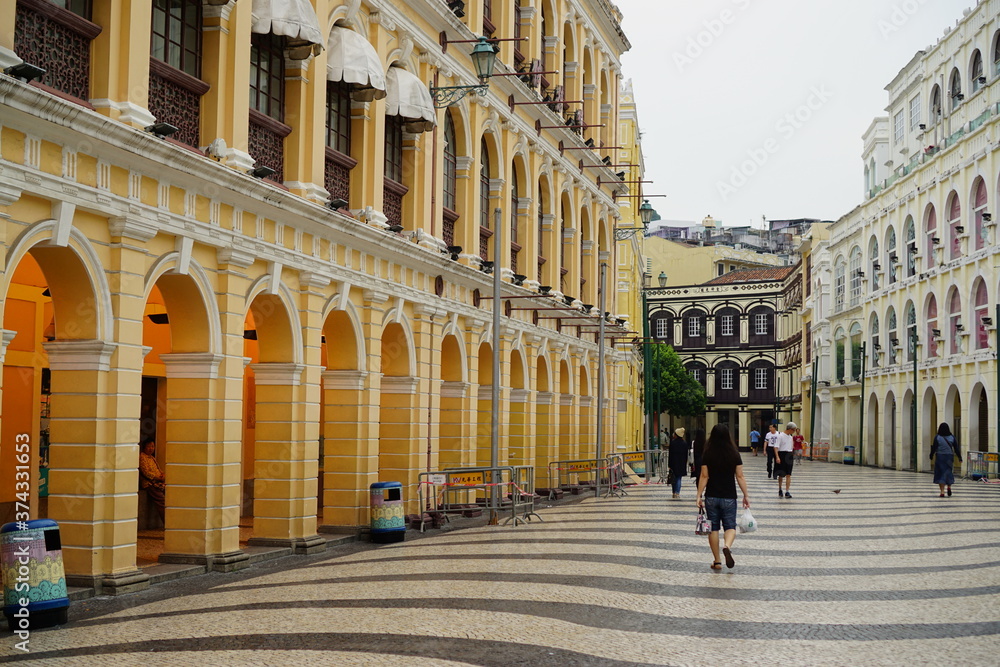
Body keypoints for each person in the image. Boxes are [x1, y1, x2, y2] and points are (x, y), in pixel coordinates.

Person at [696, 424, 750, 570]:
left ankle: (717, 561)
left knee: (713, 528)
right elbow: (740, 476)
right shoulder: (734, 453)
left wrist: (699, 495)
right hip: (729, 496)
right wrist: (746, 495)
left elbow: (704, 476)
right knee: (730, 526)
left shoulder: (707, 453)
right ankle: (727, 546)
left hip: (712, 496)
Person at [138, 437, 166, 522]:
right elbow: (145, 472)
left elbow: (158, 469)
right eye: (149, 446)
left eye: (152, 446)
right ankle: (167, 521)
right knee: (161, 501)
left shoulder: (152, 458)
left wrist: (162, 475)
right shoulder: (142, 457)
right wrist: (157, 478)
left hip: (158, 482)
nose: (151, 448)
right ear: (144, 447)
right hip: (150, 484)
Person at [931, 422, 959, 497]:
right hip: (949, 457)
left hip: (940, 457)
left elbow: (934, 447)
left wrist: (931, 455)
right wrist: (960, 457)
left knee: (940, 473)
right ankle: (949, 487)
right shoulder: (952, 437)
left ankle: (942, 491)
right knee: (948, 472)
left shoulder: (937, 437)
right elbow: (956, 448)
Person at [774, 422, 796, 498]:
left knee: (788, 474)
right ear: (790, 429)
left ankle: (787, 491)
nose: (794, 432)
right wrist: (777, 457)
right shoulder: (780, 436)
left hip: (789, 454)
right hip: (781, 454)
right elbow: (776, 447)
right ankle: (780, 489)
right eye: (794, 430)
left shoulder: (790, 437)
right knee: (781, 474)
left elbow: (791, 447)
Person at [668, 427, 689, 499]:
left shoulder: (673, 443)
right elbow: (686, 455)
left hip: (674, 463)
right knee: (679, 478)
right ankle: (677, 492)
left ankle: (674, 492)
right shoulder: (684, 443)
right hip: (681, 463)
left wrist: (669, 465)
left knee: (673, 478)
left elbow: (670, 455)